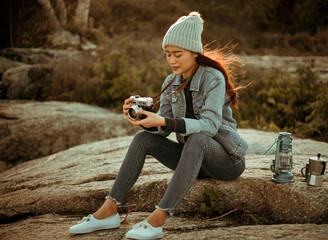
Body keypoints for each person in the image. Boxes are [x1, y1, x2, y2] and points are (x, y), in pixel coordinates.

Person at [69, 11, 248, 239]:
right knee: (142, 139)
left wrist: (164, 120)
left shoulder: (213, 78)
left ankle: (157, 220)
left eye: (178, 54)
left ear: (194, 52)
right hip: (192, 161)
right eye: (167, 54)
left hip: (225, 160)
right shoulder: (171, 82)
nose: (171, 60)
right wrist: (146, 120)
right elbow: (162, 130)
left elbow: (210, 126)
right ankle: (109, 210)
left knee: (199, 137)